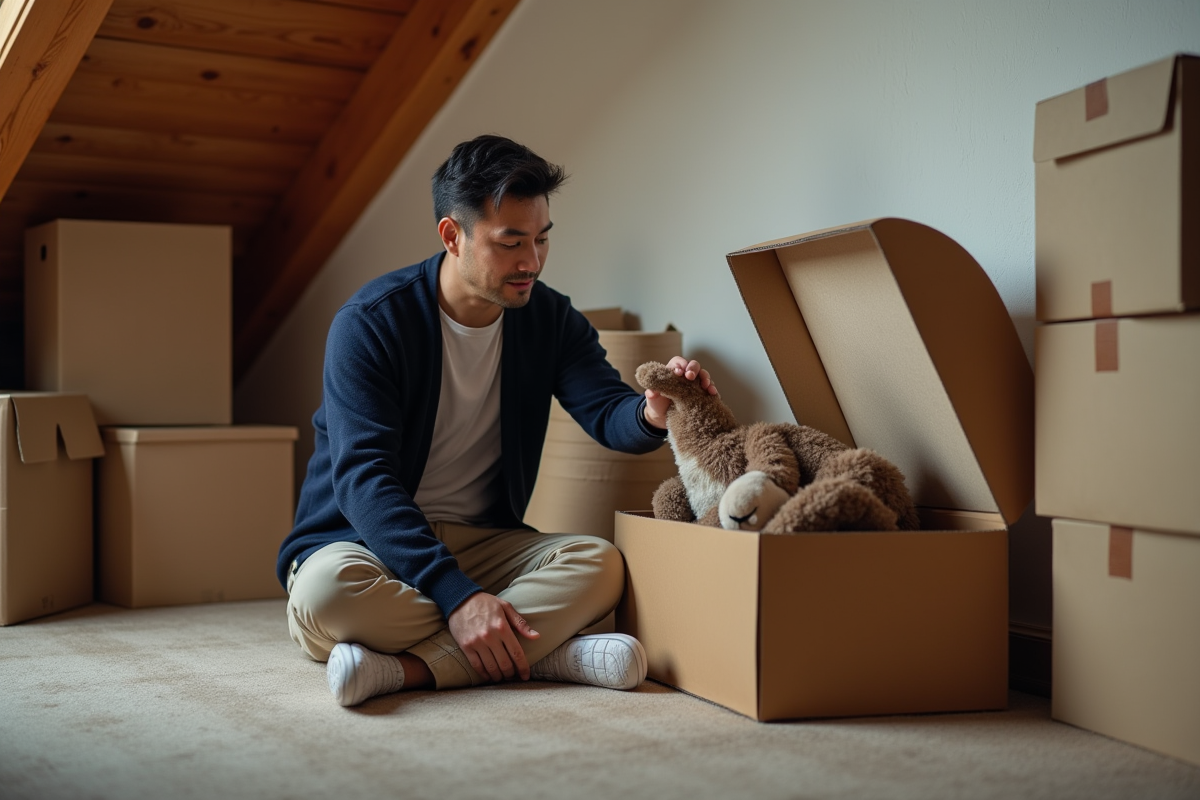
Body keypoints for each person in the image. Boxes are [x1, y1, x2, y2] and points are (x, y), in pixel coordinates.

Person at [276, 134, 716, 707]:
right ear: (452, 236)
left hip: (480, 542)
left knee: (602, 566)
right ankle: (548, 652)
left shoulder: (550, 318)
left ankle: (407, 670)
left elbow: (609, 413)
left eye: (541, 240)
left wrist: (653, 412)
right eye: (510, 243)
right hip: (363, 542)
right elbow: (364, 481)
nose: (531, 261)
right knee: (326, 596)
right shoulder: (370, 324)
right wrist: (458, 598)